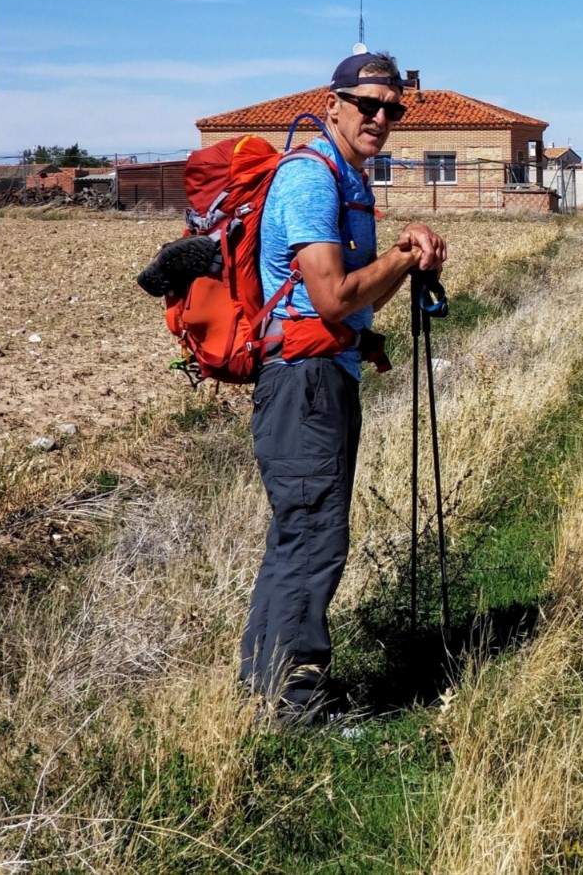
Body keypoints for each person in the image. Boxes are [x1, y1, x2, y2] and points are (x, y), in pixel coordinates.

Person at [241, 51, 447, 721]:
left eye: (392, 109)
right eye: (368, 105)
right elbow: (332, 299)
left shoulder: (348, 180)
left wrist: (403, 253)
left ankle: (268, 689)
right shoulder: (310, 180)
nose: (381, 118)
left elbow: (356, 301)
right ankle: (296, 705)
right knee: (314, 536)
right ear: (333, 103)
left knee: (303, 533)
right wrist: (398, 256)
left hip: (324, 377)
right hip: (302, 384)